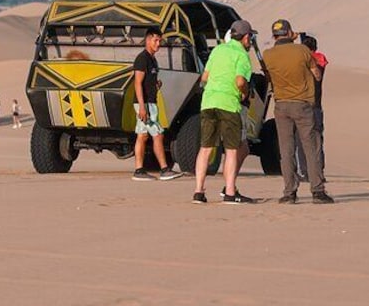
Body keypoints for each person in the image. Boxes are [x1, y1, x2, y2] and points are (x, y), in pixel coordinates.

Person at [262, 19, 334, 204]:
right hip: (303, 104)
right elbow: (316, 73)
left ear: (274, 36)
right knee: (311, 148)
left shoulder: (268, 54)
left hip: (281, 105)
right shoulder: (302, 51)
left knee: (286, 150)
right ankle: (317, 191)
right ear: (289, 33)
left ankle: (289, 193)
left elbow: (268, 77)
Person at [192, 19, 257, 204]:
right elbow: (240, 81)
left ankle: (198, 191)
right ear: (246, 37)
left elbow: (205, 76)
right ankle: (229, 192)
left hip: (209, 102)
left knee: (205, 148)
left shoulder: (218, 50)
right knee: (231, 150)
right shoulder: (242, 56)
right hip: (229, 103)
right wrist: (244, 94)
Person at [131, 28, 182, 181]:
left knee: (143, 135)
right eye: (156, 40)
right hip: (145, 104)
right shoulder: (142, 59)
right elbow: (137, 83)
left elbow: (147, 81)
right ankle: (164, 169)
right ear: (148, 40)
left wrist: (155, 84)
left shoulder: (152, 59)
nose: (158, 44)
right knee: (158, 134)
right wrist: (141, 106)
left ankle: (139, 170)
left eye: (160, 41)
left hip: (150, 102)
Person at [295, 33, 328, 180]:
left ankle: (305, 172)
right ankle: (318, 172)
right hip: (316, 106)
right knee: (317, 139)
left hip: (305, 104)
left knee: (301, 139)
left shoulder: (311, 59)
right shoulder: (319, 59)